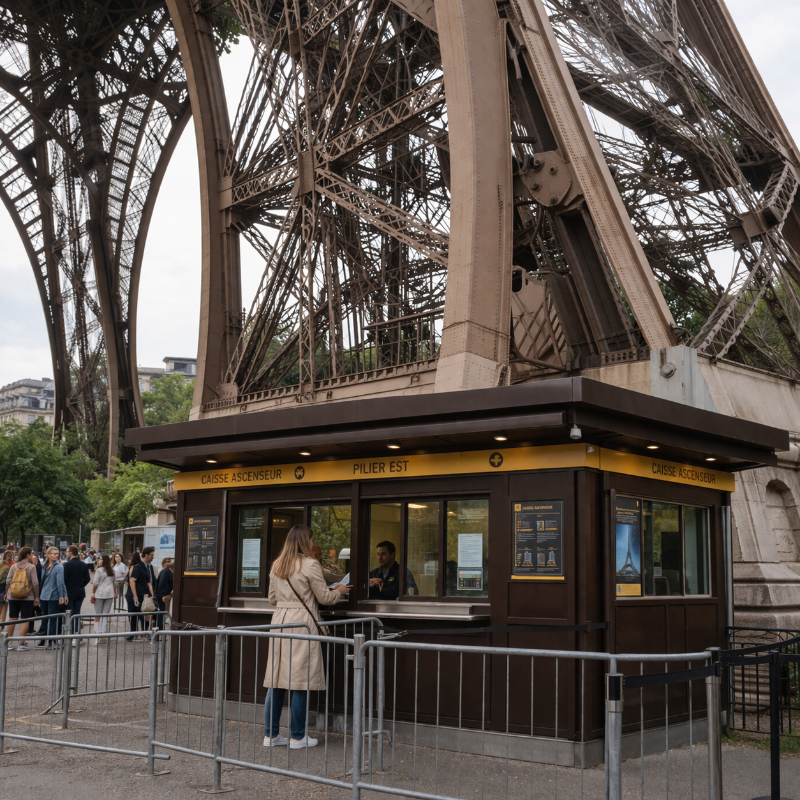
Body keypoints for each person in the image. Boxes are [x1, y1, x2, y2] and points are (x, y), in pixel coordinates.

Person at [263, 525, 348, 749]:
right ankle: (298, 736)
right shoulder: (310, 564)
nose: (312, 544)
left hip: (279, 621)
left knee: (276, 680)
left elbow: (272, 598)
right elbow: (325, 598)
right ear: (305, 541)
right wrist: (340, 590)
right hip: (302, 624)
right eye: (311, 540)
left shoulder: (277, 564)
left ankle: (270, 735)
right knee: (300, 681)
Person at [4, 546, 40, 650]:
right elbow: (35, 583)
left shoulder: (14, 566)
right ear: (28, 555)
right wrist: (36, 597)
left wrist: (9, 591)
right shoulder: (31, 567)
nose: (33, 555)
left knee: (12, 618)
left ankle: (9, 643)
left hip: (13, 595)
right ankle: (21, 644)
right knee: (25, 619)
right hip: (27, 596)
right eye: (32, 553)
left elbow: (8, 581)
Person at [38, 546, 67, 647]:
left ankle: (46, 640)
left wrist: (63, 595)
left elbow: (60, 582)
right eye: (53, 554)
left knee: (48, 618)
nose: (56, 555)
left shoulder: (58, 566)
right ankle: (48, 640)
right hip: (46, 595)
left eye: (57, 553)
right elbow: (60, 582)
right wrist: (62, 595)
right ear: (48, 555)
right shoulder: (43, 566)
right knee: (48, 618)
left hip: (51, 595)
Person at [62, 545, 91, 643]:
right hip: (80, 592)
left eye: (67, 551)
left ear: (70, 552)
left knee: (69, 614)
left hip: (69, 593)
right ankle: (77, 634)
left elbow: (64, 579)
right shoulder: (83, 564)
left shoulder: (67, 565)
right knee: (77, 613)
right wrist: (81, 585)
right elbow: (88, 578)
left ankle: (71, 635)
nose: (66, 553)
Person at [126, 548, 155, 639]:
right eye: (151, 555)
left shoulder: (145, 566)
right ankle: (133, 634)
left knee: (142, 614)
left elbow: (148, 581)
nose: (152, 557)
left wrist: (151, 592)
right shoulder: (139, 566)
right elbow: (132, 580)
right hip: (136, 595)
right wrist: (135, 596)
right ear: (146, 555)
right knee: (134, 615)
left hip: (142, 595)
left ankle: (141, 633)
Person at [90, 554, 116, 644]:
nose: (98, 561)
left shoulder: (99, 570)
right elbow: (115, 584)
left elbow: (95, 583)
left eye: (100, 559)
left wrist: (93, 593)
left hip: (100, 594)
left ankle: (97, 634)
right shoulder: (112, 571)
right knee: (105, 614)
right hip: (110, 594)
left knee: (97, 614)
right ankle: (103, 634)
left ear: (104, 561)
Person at [154, 558, 173, 623]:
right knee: (162, 610)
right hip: (162, 595)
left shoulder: (165, 571)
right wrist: (164, 594)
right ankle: (160, 623)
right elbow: (161, 583)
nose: (168, 563)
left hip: (162, 594)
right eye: (167, 562)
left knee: (162, 609)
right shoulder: (166, 572)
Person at [0, 550, 13, 624]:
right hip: (5, 587)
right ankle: (2, 623)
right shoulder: (12, 565)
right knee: (5, 607)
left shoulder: (1, 564)